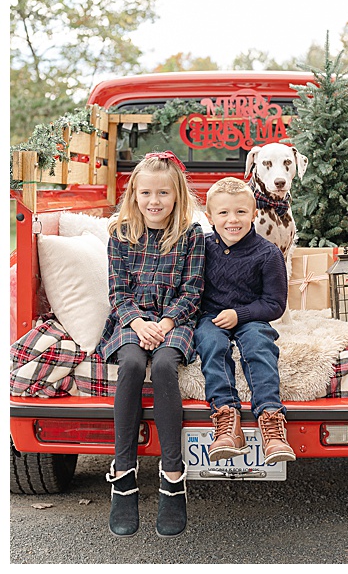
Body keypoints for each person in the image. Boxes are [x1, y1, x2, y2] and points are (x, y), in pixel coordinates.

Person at [99, 151, 205, 538]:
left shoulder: (191, 235)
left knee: (162, 366)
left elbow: (193, 290)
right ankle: (123, 474)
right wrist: (138, 322)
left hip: (173, 319)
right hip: (131, 318)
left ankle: (172, 476)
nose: (154, 201)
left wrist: (163, 323)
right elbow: (117, 292)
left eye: (163, 192)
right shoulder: (120, 234)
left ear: (177, 196)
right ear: (134, 195)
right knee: (129, 364)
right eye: (146, 193)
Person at [196, 177, 295, 465]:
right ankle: (227, 419)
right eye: (223, 213)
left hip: (252, 316)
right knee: (211, 344)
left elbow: (275, 304)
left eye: (241, 212)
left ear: (254, 214)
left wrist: (240, 315)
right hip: (211, 316)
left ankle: (271, 422)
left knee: (258, 345)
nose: (232, 220)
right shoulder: (201, 248)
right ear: (209, 217)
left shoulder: (268, 254)